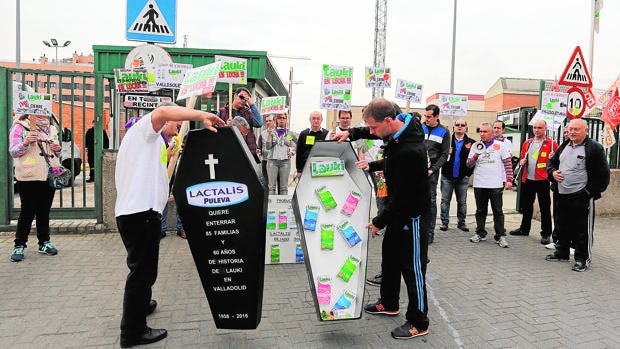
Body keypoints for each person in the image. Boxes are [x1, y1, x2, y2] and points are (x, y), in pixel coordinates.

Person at [115, 103, 223, 347]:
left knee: (145, 270)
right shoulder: (143, 130)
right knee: (141, 273)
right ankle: (132, 332)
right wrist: (201, 115)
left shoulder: (151, 143)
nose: (178, 128)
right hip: (139, 214)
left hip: (142, 213)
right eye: (177, 123)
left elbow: (158, 174)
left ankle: (141, 305)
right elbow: (164, 111)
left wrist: (172, 153)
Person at [338, 98, 431, 340]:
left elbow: (402, 197)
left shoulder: (410, 150)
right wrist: (351, 133)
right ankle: (389, 303)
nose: (371, 133)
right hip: (398, 208)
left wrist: (379, 220)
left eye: (373, 127)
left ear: (388, 120)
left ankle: (419, 321)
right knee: (390, 257)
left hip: (411, 214)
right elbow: (388, 155)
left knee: (413, 268)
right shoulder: (399, 127)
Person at [545, 119, 610, 272]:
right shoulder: (565, 145)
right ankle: (562, 252)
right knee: (562, 226)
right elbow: (552, 164)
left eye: (577, 129)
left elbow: (603, 175)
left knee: (582, 230)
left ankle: (582, 259)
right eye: (571, 129)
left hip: (582, 196)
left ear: (585, 131)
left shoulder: (594, 148)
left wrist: (588, 192)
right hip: (562, 194)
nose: (572, 132)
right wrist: (552, 173)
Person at [9, 113, 62, 262]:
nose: (43, 113)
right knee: (27, 211)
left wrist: (57, 149)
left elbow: (58, 154)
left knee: (44, 211)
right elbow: (13, 152)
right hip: (28, 175)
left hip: (48, 175)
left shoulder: (51, 128)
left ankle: (44, 242)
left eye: (45, 110)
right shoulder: (20, 126)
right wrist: (25, 143)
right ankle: (19, 245)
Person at [509, 120, 558, 245]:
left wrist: (554, 157)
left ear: (545, 128)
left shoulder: (552, 144)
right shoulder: (528, 143)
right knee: (527, 206)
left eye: (540, 127)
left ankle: (546, 234)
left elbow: (558, 162)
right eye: (535, 127)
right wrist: (521, 162)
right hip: (528, 179)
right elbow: (522, 157)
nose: (536, 130)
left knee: (545, 208)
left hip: (543, 180)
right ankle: (524, 229)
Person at [467, 122, 513, 248]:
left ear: (492, 132)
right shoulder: (476, 145)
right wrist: (476, 155)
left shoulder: (501, 146)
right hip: (480, 183)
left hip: (495, 184)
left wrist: (509, 179)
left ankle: (500, 236)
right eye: (480, 131)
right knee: (480, 210)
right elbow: (469, 164)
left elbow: (508, 163)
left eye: (485, 131)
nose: (482, 134)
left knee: (497, 211)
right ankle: (480, 233)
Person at [439, 119, 475, 232]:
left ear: (466, 127)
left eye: (462, 125)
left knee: (462, 202)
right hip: (447, 177)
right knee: (445, 200)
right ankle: (445, 222)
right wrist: (446, 153)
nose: (460, 126)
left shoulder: (471, 142)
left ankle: (461, 222)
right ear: (453, 127)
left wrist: (468, 174)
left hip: (462, 178)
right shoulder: (447, 141)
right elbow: (439, 157)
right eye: (457, 125)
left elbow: (474, 160)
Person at [422, 104, 450, 244]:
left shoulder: (444, 131)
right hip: (416, 170)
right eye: (425, 116)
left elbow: (444, 155)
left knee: (431, 201)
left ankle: (429, 233)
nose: (426, 119)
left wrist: (433, 169)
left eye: (429, 117)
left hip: (431, 172)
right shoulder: (420, 127)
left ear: (437, 116)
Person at [217, 87, 262, 163]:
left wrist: (252, 105)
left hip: (247, 152)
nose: (243, 100)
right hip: (229, 152)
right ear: (235, 96)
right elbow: (215, 129)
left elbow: (259, 123)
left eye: (246, 99)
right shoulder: (222, 112)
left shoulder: (248, 112)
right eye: (241, 97)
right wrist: (224, 126)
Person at [266, 113, 297, 195]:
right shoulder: (272, 132)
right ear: (276, 120)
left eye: (283, 118)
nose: (282, 120)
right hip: (272, 161)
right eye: (280, 118)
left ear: (286, 120)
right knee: (271, 187)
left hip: (285, 162)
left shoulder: (290, 133)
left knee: (284, 187)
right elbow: (268, 147)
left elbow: (298, 145)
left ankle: (283, 207)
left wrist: (292, 152)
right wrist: (269, 135)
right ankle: (271, 207)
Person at [295, 111, 329, 179]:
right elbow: (299, 153)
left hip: (322, 169)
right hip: (306, 168)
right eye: (313, 118)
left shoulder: (327, 134)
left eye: (318, 118)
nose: (316, 120)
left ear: (321, 120)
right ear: (310, 120)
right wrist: (299, 170)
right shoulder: (303, 134)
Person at [257, 115, 275, 183]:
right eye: (266, 121)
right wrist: (258, 150)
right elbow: (259, 147)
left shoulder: (279, 132)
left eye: (270, 121)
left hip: (275, 161)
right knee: (265, 181)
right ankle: (266, 193)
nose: (268, 122)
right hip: (265, 160)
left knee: (274, 182)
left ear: (274, 121)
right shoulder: (262, 134)